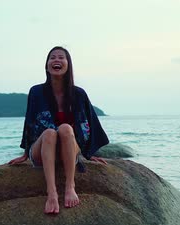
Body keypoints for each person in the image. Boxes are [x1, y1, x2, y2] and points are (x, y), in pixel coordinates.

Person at [8, 46, 109, 214]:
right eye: (52, 57)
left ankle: (70, 186)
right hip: (43, 149)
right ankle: (52, 192)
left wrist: (90, 153)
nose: (56, 60)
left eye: (61, 57)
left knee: (65, 129)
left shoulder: (79, 94)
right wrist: (26, 154)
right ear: (46, 65)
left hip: (68, 147)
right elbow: (29, 122)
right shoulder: (36, 92)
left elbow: (90, 123)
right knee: (49, 132)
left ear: (68, 64)